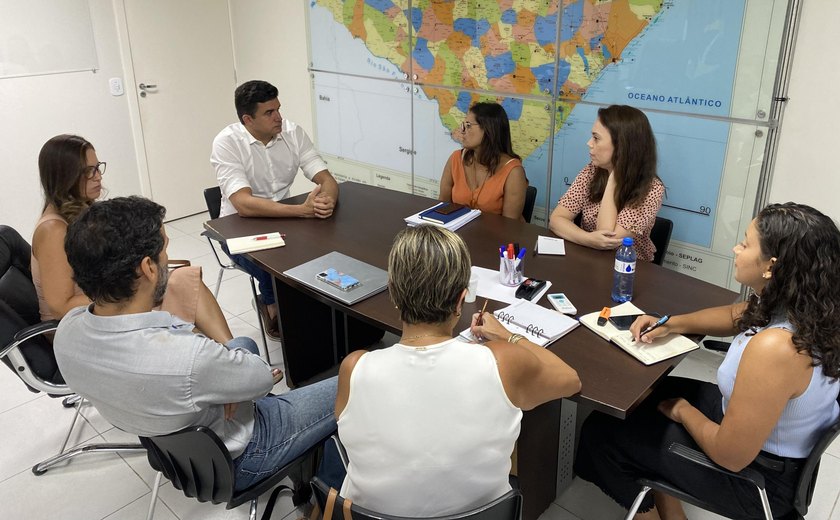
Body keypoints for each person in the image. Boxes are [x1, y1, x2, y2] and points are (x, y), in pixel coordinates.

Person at [574, 202, 840, 519]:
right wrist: (671, 323)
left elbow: (730, 456)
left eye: (745, 243)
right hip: (763, 440)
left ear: (771, 265)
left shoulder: (776, 349)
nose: (735, 249)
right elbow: (733, 315)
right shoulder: (809, 307)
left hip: (760, 479)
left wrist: (684, 412)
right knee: (648, 393)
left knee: (601, 433)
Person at [53, 196, 338, 492]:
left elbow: (205, 370)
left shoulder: (68, 332)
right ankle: (323, 491)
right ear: (148, 268)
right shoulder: (187, 359)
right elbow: (263, 378)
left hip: (176, 451)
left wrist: (226, 383)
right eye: (164, 248)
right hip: (248, 453)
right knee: (358, 377)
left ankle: (234, 386)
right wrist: (234, 385)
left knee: (239, 344)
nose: (167, 258)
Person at [334, 225, 581, 516]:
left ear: (393, 294)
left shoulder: (354, 368)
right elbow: (571, 380)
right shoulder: (504, 363)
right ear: (461, 300)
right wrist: (509, 336)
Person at [32, 134, 234, 345]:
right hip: (80, 324)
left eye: (98, 167)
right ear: (66, 177)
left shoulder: (83, 210)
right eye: (88, 172)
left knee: (183, 280)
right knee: (177, 295)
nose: (98, 176)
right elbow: (61, 306)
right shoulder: (53, 229)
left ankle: (231, 350)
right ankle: (228, 355)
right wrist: (130, 293)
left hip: (104, 303)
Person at [211, 80, 340, 339]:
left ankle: (326, 315)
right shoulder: (227, 142)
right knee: (275, 270)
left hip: (284, 219)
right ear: (247, 119)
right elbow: (244, 205)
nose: (279, 117)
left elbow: (327, 179)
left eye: (279, 109)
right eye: (269, 113)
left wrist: (327, 200)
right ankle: (271, 306)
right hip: (237, 228)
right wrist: (302, 211)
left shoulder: (293, 133)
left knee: (330, 250)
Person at [548, 105, 665, 261]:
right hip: (589, 259)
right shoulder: (592, 170)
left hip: (629, 269)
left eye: (596, 138)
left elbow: (608, 239)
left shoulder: (652, 189)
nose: (589, 143)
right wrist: (587, 239)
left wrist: (614, 178)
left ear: (621, 146)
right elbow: (556, 219)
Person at [438, 102, 528, 220]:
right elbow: (441, 208)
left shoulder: (513, 172)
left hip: (494, 237)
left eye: (468, 125)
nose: (462, 131)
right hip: (458, 235)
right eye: (463, 125)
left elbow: (509, 227)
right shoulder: (455, 159)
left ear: (488, 129)